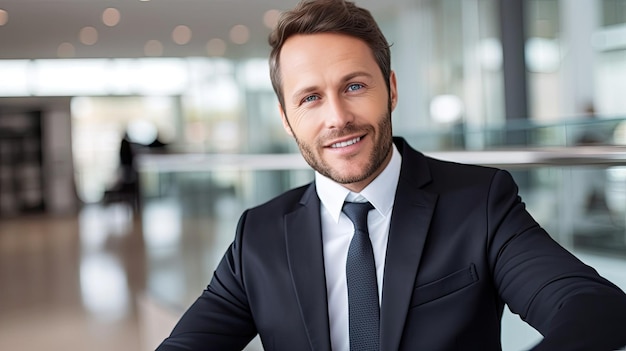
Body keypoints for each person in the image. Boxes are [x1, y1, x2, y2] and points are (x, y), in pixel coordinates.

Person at [157, 0, 626, 350]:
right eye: (310, 98)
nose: (337, 117)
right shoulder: (257, 235)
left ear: (392, 89)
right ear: (285, 118)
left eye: (354, 86)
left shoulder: (478, 202)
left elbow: (592, 306)